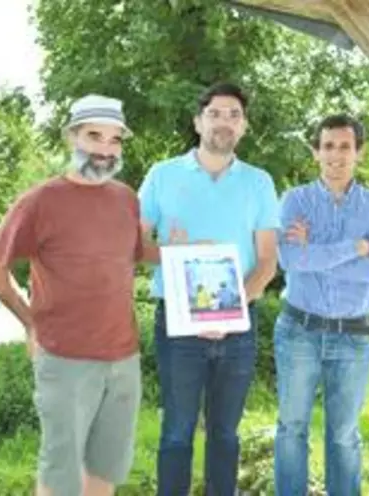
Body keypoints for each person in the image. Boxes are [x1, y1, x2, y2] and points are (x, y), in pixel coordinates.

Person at [0, 94, 149, 496]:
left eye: (115, 140)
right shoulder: (40, 201)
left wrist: (197, 252)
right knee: (61, 475)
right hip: (65, 358)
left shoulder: (126, 198)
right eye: (94, 136)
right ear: (71, 137)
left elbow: (139, 255)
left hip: (124, 358)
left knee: (105, 469)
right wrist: (30, 324)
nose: (105, 150)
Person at [138, 82, 280, 495]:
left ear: (244, 127)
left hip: (239, 327)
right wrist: (170, 251)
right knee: (177, 431)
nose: (224, 122)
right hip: (178, 327)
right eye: (215, 113)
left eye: (234, 115)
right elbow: (135, 245)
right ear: (198, 121)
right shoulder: (162, 176)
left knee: (225, 433)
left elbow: (267, 260)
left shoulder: (259, 183)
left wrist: (229, 312)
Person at [273, 114, 369, 496]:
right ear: (316, 152)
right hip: (299, 331)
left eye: (345, 146)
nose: (336, 155)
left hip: (352, 337)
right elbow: (291, 261)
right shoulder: (295, 200)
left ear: (358, 152)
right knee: (292, 429)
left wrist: (317, 252)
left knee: (344, 435)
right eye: (328, 146)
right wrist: (353, 248)